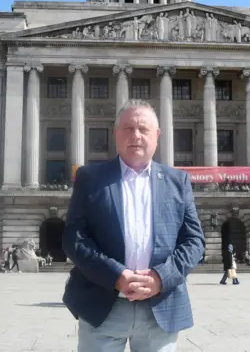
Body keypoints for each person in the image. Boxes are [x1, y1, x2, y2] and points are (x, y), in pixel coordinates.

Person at [62, 99, 205, 352]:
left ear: (157, 136)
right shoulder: (90, 178)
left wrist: (161, 278)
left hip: (160, 309)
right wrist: (116, 275)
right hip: (102, 307)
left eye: (143, 129)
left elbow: (194, 242)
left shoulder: (178, 181)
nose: (136, 136)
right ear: (116, 133)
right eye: (128, 128)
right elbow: (74, 238)